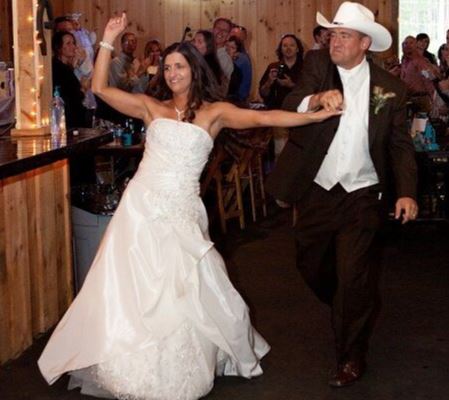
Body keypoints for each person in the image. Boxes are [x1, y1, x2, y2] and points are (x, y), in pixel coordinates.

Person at [38, 13, 340, 400]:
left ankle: (182, 360)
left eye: (179, 66)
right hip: (142, 207)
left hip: (181, 210)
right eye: (167, 68)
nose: (173, 73)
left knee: (185, 286)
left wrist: (313, 113)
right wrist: (108, 40)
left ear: (194, 69)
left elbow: (264, 116)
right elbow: (99, 87)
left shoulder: (214, 113)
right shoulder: (152, 107)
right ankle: (128, 357)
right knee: (133, 287)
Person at [266, 1, 418, 388]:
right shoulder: (317, 66)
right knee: (310, 264)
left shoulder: (392, 89)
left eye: (344, 35)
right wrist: (315, 100)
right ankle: (351, 303)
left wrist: (406, 193)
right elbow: (290, 101)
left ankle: (350, 355)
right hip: (317, 188)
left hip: (362, 194)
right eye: (333, 34)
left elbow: (400, 146)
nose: (334, 41)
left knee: (353, 276)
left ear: (364, 43)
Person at [259, 34, 304, 159]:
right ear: (280, 49)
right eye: (284, 45)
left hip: (300, 115)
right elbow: (263, 93)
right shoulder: (273, 67)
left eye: (291, 45)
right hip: (278, 114)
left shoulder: (305, 68)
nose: (288, 48)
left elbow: (309, 92)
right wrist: (269, 81)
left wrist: (291, 85)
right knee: (280, 152)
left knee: (299, 154)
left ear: (297, 49)